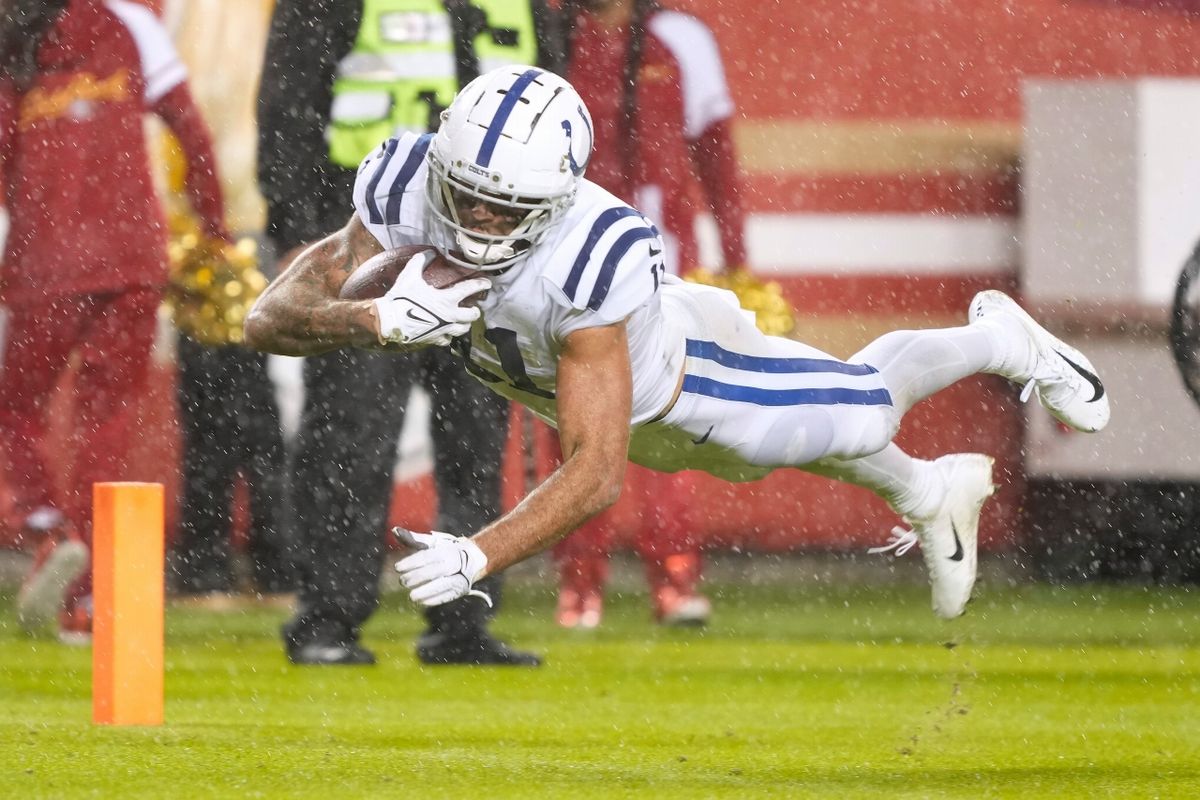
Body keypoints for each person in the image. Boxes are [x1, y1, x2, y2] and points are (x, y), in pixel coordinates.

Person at [244, 65, 1111, 624]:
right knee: (770, 460)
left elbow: (596, 470)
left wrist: (478, 554)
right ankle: (931, 491)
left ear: (554, 202)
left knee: (862, 410)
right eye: (464, 193)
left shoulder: (591, 254)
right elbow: (269, 317)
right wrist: (370, 321)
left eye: (503, 208)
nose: (475, 220)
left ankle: (1001, 337)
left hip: (693, 378)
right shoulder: (402, 180)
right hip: (581, 389)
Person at [257, 0, 554, 666]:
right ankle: (328, 618)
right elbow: (289, 103)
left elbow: (555, 124)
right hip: (366, 241)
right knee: (349, 435)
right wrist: (297, 233)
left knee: (476, 443)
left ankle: (462, 617)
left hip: (487, 258)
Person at [0, 0, 230, 642]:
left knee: (17, 407)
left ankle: (49, 530)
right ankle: (94, 595)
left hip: (44, 261)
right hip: (133, 256)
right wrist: (212, 224)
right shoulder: (129, 21)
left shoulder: (13, 33)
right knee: (107, 423)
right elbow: (190, 126)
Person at [546, 0, 750, 628]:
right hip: (564, 259)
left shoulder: (679, 38)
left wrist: (738, 260)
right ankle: (580, 584)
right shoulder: (547, 33)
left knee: (669, 421)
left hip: (662, 262)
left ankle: (676, 578)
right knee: (575, 425)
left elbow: (716, 157)